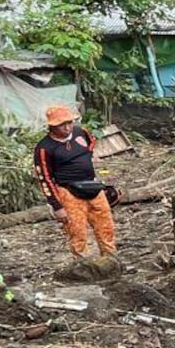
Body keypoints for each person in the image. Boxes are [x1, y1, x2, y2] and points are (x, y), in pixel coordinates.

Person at [34, 104, 117, 260]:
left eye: (69, 122)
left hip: (93, 186)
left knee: (106, 225)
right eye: (62, 125)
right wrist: (56, 205)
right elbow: (44, 178)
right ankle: (82, 264)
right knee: (77, 231)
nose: (67, 127)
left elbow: (91, 142)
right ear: (52, 126)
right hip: (68, 192)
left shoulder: (81, 132)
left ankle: (110, 259)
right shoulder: (44, 148)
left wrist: (86, 159)